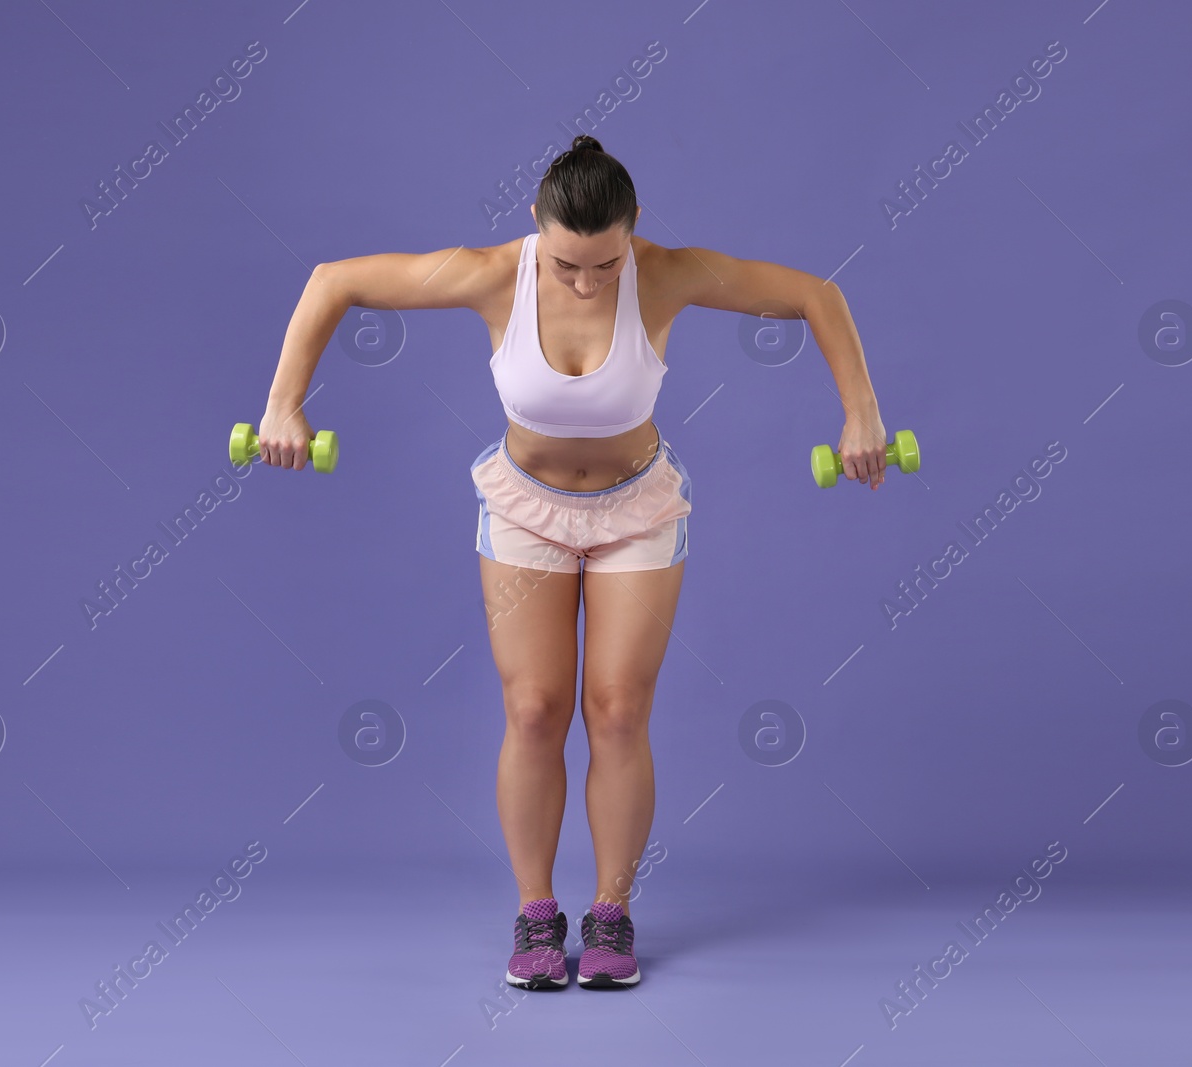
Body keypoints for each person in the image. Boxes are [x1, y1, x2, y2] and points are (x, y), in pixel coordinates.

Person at [254, 134, 889, 990]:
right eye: (566, 266)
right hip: (526, 511)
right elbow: (336, 279)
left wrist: (862, 415)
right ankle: (536, 916)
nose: (587, 283)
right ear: (535, 231)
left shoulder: (666, 273)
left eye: (605, 264)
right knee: (536, 707)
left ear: (633, 232)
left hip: (636, 508)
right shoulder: (488, 274)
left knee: (619, 708)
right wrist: (282, 402)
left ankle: (612, 916)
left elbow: (816, 293)